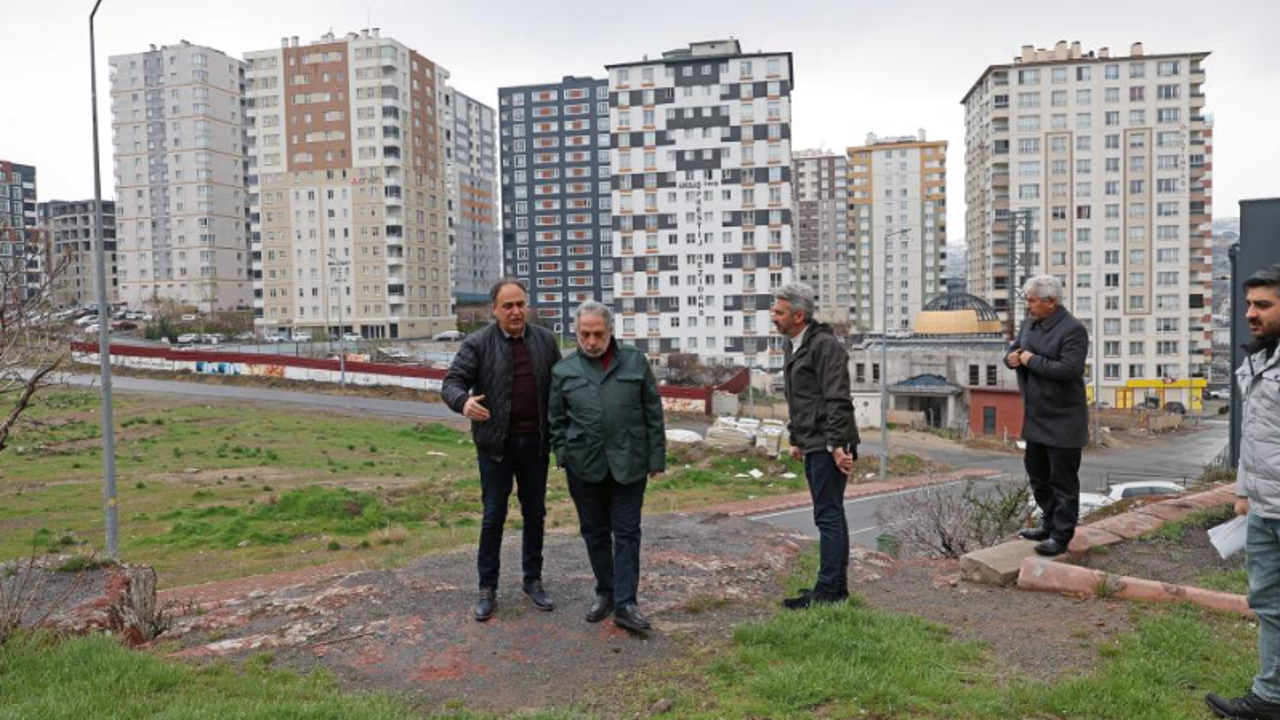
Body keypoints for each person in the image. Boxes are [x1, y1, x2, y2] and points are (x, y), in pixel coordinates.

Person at [442, 279, 562, 622]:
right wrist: (463, 402)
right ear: (494, 310)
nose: (515, 311)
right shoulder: (477, 343)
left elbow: (562, 385)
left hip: (535, 445)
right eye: (508, 306)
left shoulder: (545, 340)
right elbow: (451, 383)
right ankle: (487, 589)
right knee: (494, 516)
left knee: (535, 513)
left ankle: (532, 580)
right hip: (496, 447)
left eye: (520, 304)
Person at [548, 301, 665, 632]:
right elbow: (556, 420)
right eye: (584, 334)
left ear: (611, 331)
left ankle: (626, 603)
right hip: (584, 465)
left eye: (598, 334)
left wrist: (656, 458)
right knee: (595, 532)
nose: (591, 341)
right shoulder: (564, 370)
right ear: (576, 332)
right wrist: (563, 455)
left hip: (629, 462)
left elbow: (653, 412)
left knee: (627, 532)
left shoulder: (635, 361)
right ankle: (606, 592)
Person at [1206, 263, 1280, 720]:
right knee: (1268, 604)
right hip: (1264, 510)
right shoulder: (1256, 361)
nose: (1251, 313)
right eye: (1249, 304)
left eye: (1263, 305)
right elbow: (1255, 437)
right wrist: (1243, 491)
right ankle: (1270, 697)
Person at [771, 283, 859, 609]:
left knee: (829, 516)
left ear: (799, 316)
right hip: (815, 442)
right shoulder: (794, 345)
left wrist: (836, 445)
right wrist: (797, 438)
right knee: (827, 514)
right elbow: (801, 398)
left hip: (829, 442)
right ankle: (833, 589)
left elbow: (837, 398)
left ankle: (830, 591)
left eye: (779, 312)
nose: (773, 317)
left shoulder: (825, 346)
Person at [1004, 275, 1089, 557]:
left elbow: (1068, 369)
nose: (1028, 306)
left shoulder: (1073, 329)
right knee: (1037, 476)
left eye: (1032, 301)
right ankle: (1049, 524)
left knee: (1063, 481)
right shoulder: (1030, 323)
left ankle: (1061, 536)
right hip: (1036, 414)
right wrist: (1011, 359)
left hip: (1064, 418)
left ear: (1050, 302)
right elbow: (1014, 348)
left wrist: (1030, 359)